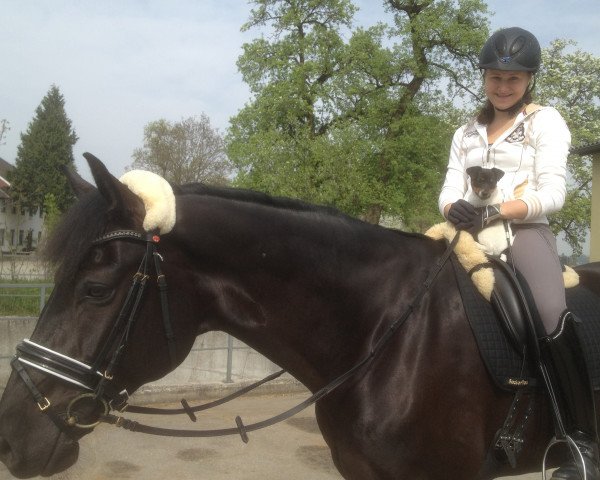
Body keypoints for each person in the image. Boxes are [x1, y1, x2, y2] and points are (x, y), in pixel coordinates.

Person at [438, 27, 599, 480]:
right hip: (466, 230)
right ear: (484, 77)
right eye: (495, 77)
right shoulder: (466, 131)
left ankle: (580, 444)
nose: (503, 86)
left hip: (525, 231)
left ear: (529, 79)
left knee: (549, 309)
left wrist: (497, 213)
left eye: (514, 78)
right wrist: (456, 207)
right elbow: (448, 190)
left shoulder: (545, 121)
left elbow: (554, 193)